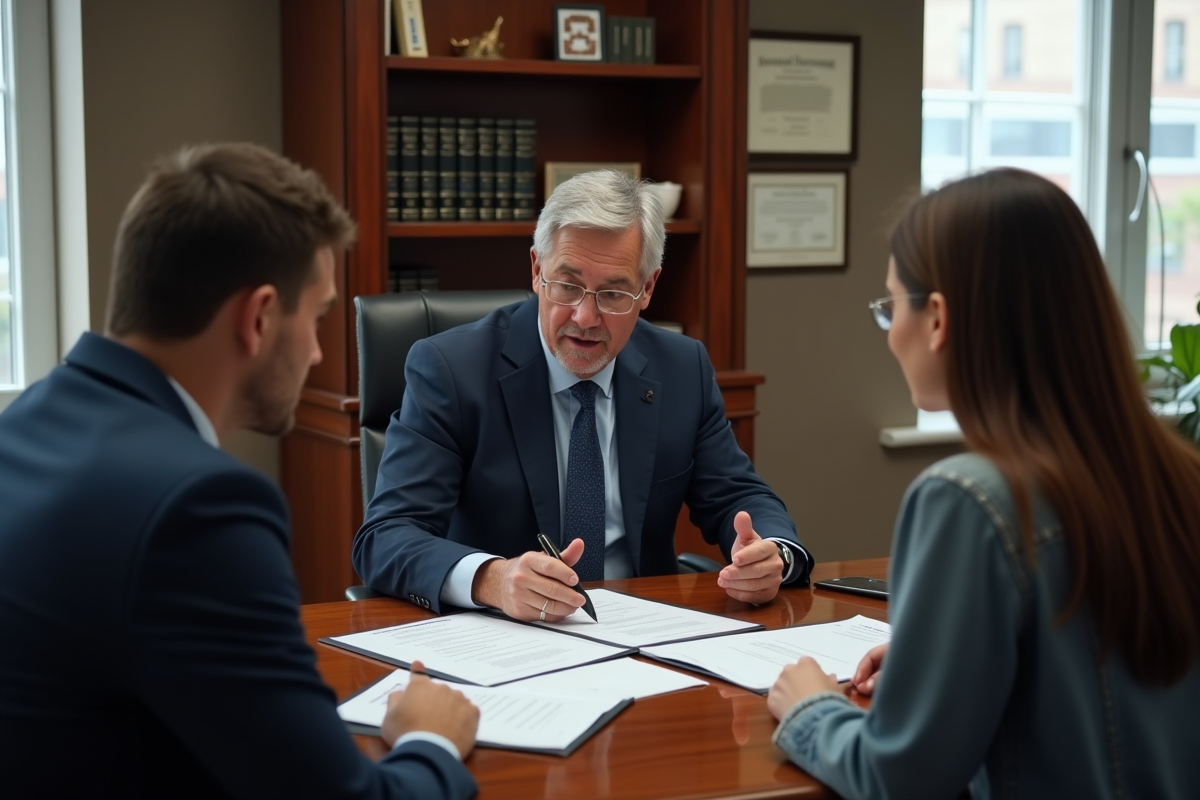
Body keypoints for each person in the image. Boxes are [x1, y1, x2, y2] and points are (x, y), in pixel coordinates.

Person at [0, 143, 480, 799]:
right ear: (257, 318)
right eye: (314, 318)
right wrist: (431, 739)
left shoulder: (25, 425)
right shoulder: (198, 507)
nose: (315, 353)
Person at [767, 169, 1200, 799]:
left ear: (938, 318)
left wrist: (810, 711)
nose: (890, 334)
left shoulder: (969, 500)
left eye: (892, 307)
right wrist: (941, 674)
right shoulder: (1180, 477)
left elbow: (900, 778)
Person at [353, 170, 813, 621]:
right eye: (568, 285)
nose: (586, 316)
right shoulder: (452, 369)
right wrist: (490, 578)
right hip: (504, 637)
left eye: (613, 293)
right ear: (537, 270)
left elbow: (739, 496)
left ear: (647, 288)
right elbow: (386, 536)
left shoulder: (680, 368)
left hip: (645, 636)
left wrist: (773, 555)